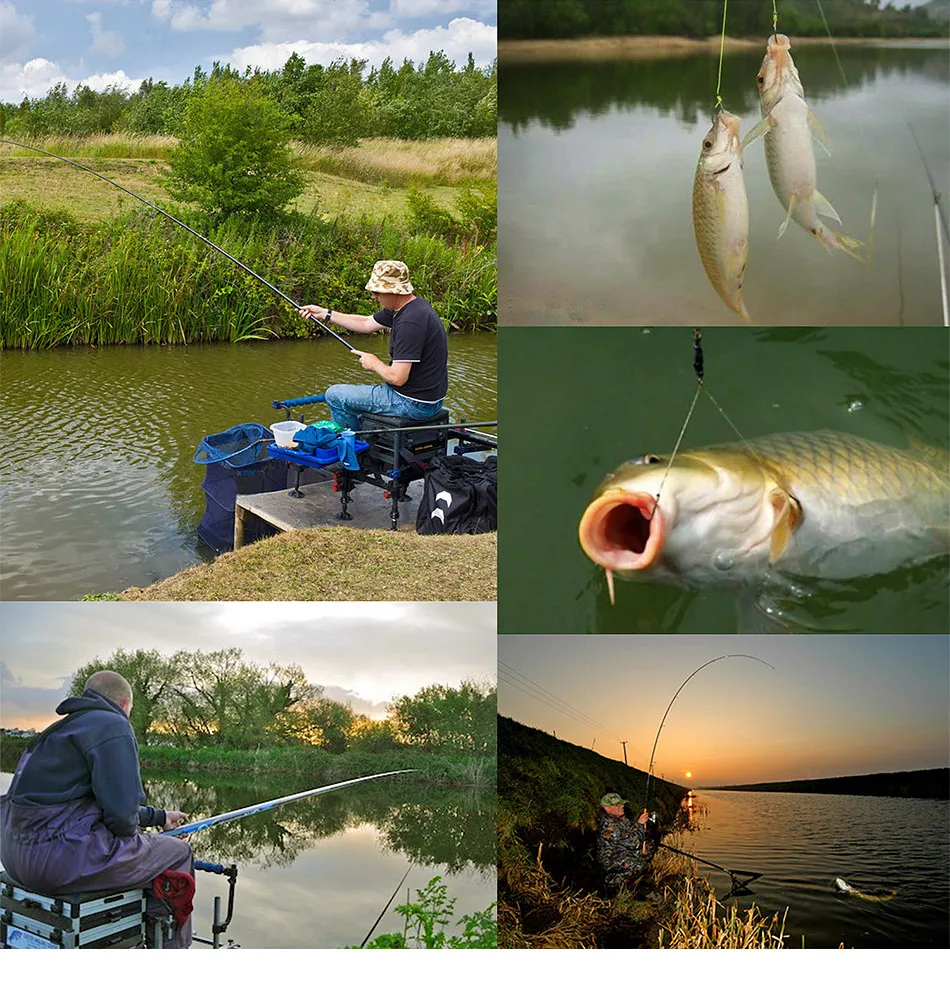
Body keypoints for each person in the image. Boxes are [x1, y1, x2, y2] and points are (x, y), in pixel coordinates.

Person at [0, 670, 194, 948]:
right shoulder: (113, 724)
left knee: (147, 845)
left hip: (14, 855)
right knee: (177, 853)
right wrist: (145, 839)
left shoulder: (61, 730)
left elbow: (98, 808)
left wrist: (160, 817)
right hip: (55, 859)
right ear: (125, 704)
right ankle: (169, 950)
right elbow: (123, 818)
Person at [298, 259, 449, 432]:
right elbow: (366, 323)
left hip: (412, 404)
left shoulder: (410, 323)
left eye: (378, 292)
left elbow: (397, 378)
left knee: (335, 395)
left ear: (394, 291)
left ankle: (354, 449)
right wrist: (325, 313)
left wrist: (374, 363)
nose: (374, 296)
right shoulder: (412, 306)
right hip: (428, 400)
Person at [596, 792, 659, 891]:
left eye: (622, 803)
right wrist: (640, 824)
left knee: (649, 846)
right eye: (618, 805)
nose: (622, 806)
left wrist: (643, 826)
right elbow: (635, 844)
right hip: (611, 858)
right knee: (638, 865)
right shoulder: (609, 826)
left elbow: (632, 831)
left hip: (622, 849)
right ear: (607, 808)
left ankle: (632, 876)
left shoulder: (621, 818)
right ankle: (613, 881)